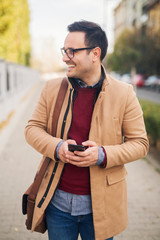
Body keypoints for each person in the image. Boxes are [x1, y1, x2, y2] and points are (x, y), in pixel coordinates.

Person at [25, 20, 149, 240]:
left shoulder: (124, 93)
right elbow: (32, 128)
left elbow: (140, 143)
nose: (65, 57)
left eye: (72, 51)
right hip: (57, 205)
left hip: (102, 207)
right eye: (65, 50)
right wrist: (57, 147)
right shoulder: (51, 88)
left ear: (95, 53)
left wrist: (102, 154)